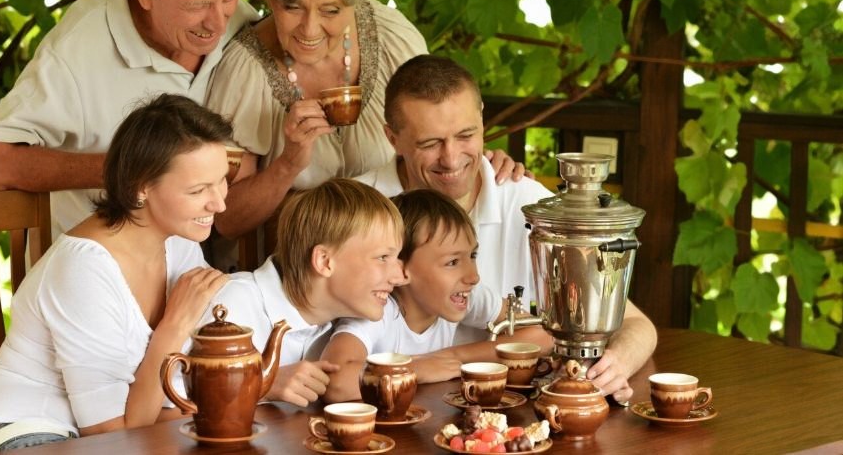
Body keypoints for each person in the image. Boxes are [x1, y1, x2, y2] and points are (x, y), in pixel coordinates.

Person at [356, 54, 657, 401]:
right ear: (392, 138)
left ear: (482, 119)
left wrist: (615, 365)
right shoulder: (357, 209)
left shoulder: (531, 204)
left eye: (466, 135)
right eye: (430, 143)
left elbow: (634, 324)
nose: (451, 159)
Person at [205, 0, 524, 248]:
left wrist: (482, 166)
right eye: (292, 7)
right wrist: (289, 164)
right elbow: (228, 221)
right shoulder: (243, 73)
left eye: (331, 10)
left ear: (356, 1)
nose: (310, 29)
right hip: (294, 257)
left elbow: (439, 132)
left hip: (399, 250)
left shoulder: (390, 37)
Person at [0, 0, 258, 241]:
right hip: (93, 262)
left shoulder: (241, 22)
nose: (218, 24)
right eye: (197, 5)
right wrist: (131, 167)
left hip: (199, 261)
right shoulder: (78, 46)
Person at [0, 94, 232, 450]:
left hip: (117, 433)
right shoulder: (83, 270)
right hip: (31, 433)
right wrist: (174, 326)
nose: (219, 203)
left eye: (222, 180)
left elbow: (178, 391)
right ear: (140, 187)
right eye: (198, 190)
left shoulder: (179, 239)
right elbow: (111, 435)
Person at [321, 188, 553, 402]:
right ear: (401, 269)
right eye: (452, 262)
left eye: (472, 256)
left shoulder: (465, 295)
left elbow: (543, 336)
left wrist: (454, 356)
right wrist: (417, 368)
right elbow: (335, 382)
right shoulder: (376, 310)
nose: (473, 276)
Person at [201, 177, 407, 407]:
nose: (399, 278)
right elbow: (174, 405)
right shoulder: (233, 304)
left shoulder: (344, 318)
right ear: (324, 261)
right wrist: (262, 384)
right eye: (383, 257)